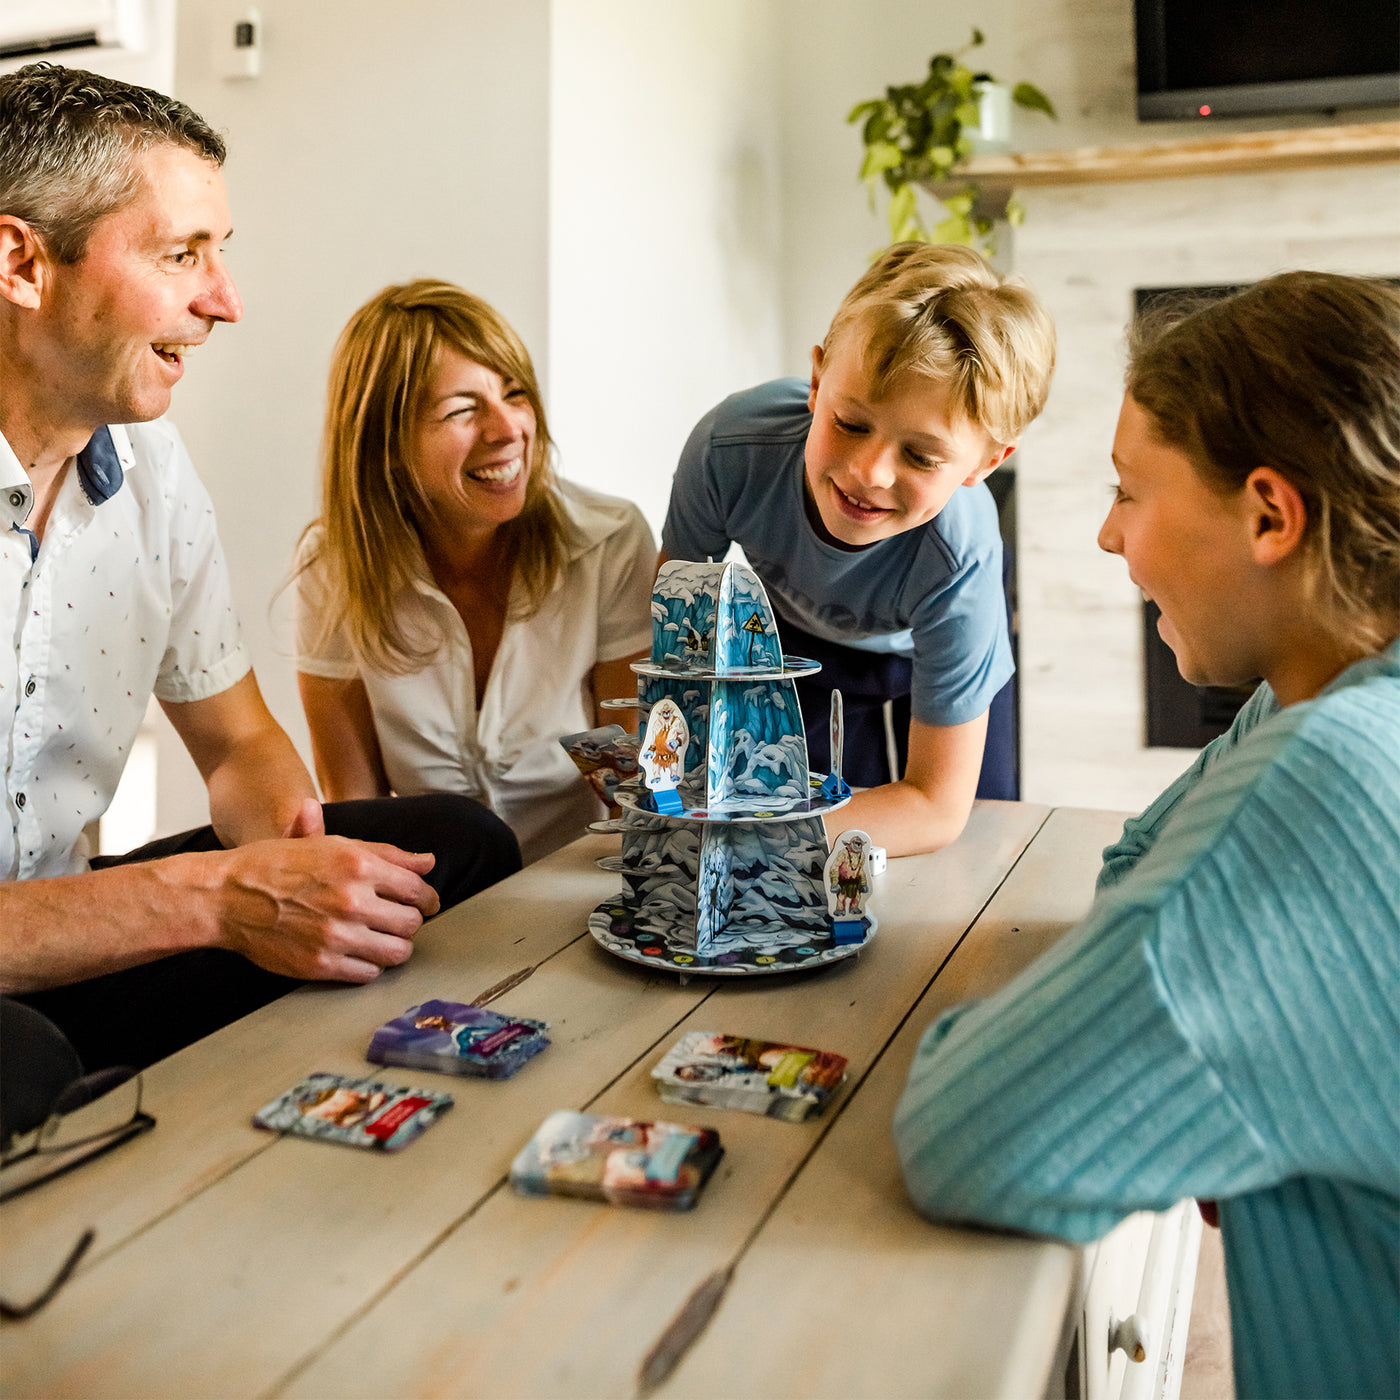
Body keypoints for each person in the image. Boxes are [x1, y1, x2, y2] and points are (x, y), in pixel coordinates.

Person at [894, 272, 1400, 1400]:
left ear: (1270, 513)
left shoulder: (1325, 775)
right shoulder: (1315, 696)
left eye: (1130, 489)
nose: (1106, 532)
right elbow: (1133, 869)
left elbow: (971, 1131)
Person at [0, 64, 520, 1076]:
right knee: (25, 1063)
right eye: (180, 254)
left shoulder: (152, 469)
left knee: (455, 847)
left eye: (220, 253)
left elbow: (237, 742)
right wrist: (220, 898)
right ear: (22, 263)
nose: (224, 301)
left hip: (76, 944)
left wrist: (298, 855)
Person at [661, 243, 1056, 857]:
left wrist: (761, 837)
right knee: (785, 797)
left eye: (922, 456)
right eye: (850, 423)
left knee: (979, 842)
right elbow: (673, 638)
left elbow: (935, 806)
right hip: (795, 641)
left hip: (927, 651)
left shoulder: (960, 555)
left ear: (988, 461)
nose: (869, 473)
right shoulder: (728, 451)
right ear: (818, 383)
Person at [292, 280, 654, 865]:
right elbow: (353, 810)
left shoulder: (608, 543)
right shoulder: (332, 570)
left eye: (514, 394)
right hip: (427, 895)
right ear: (385, 445)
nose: (508, 429)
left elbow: (630, 789)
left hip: (574, 885)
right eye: (463, 409)